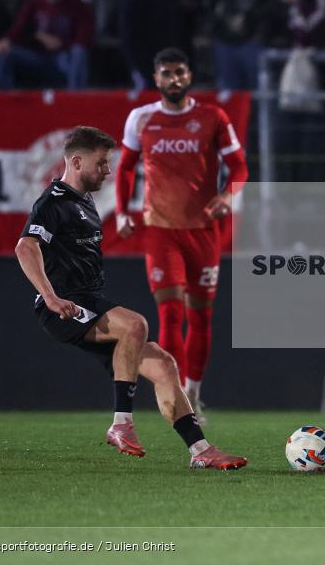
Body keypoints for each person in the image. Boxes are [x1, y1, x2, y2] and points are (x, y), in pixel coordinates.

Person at [15, 126, 247, 470]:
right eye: (101, 163)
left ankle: (200, 451)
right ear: (76, 162)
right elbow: (25, 246)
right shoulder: (55, 202)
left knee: (165, 365)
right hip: (67, 305)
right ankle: (121, 423)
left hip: (87, 301)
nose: (108, 170)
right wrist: (49, 297)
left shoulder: (85, 202)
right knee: (136, 324)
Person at [115, 47, 249, 424]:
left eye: (179, 72)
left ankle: (194, 392)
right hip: (161, 230)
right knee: (169, 314)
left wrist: (227, 194)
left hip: (204, 231)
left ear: (189, 76)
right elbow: (126, 168)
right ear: (155, 78)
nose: (173, 79)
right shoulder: (141, 119)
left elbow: (239, 167)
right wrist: (123, 212)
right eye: (166, 73)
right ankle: (174, 397)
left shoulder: (213, 117)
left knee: (201, 317)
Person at [0, 0, 92, 89]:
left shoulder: (79, 6)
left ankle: (75, 102)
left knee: (78, 53)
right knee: (6, 52)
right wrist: (7, 41)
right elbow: (19, 29)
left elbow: (83, 40)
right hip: (37, 57)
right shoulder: (33, 3)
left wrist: (62, 44)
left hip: (63, 58)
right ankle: (4, 103)